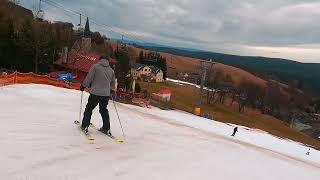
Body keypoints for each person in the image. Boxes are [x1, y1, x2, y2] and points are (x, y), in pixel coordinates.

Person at [80, 54, 116, 136]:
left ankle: (85, 126)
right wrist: (112, 90)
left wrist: (83, 85)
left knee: (89, 109)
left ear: (100, 59)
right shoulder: (111, 70)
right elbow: (113, 82)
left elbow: (89, 77)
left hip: (95, 93)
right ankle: (106, 128)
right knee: (103, 110)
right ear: (107, 61)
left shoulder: (95, 67)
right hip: (106, 95)